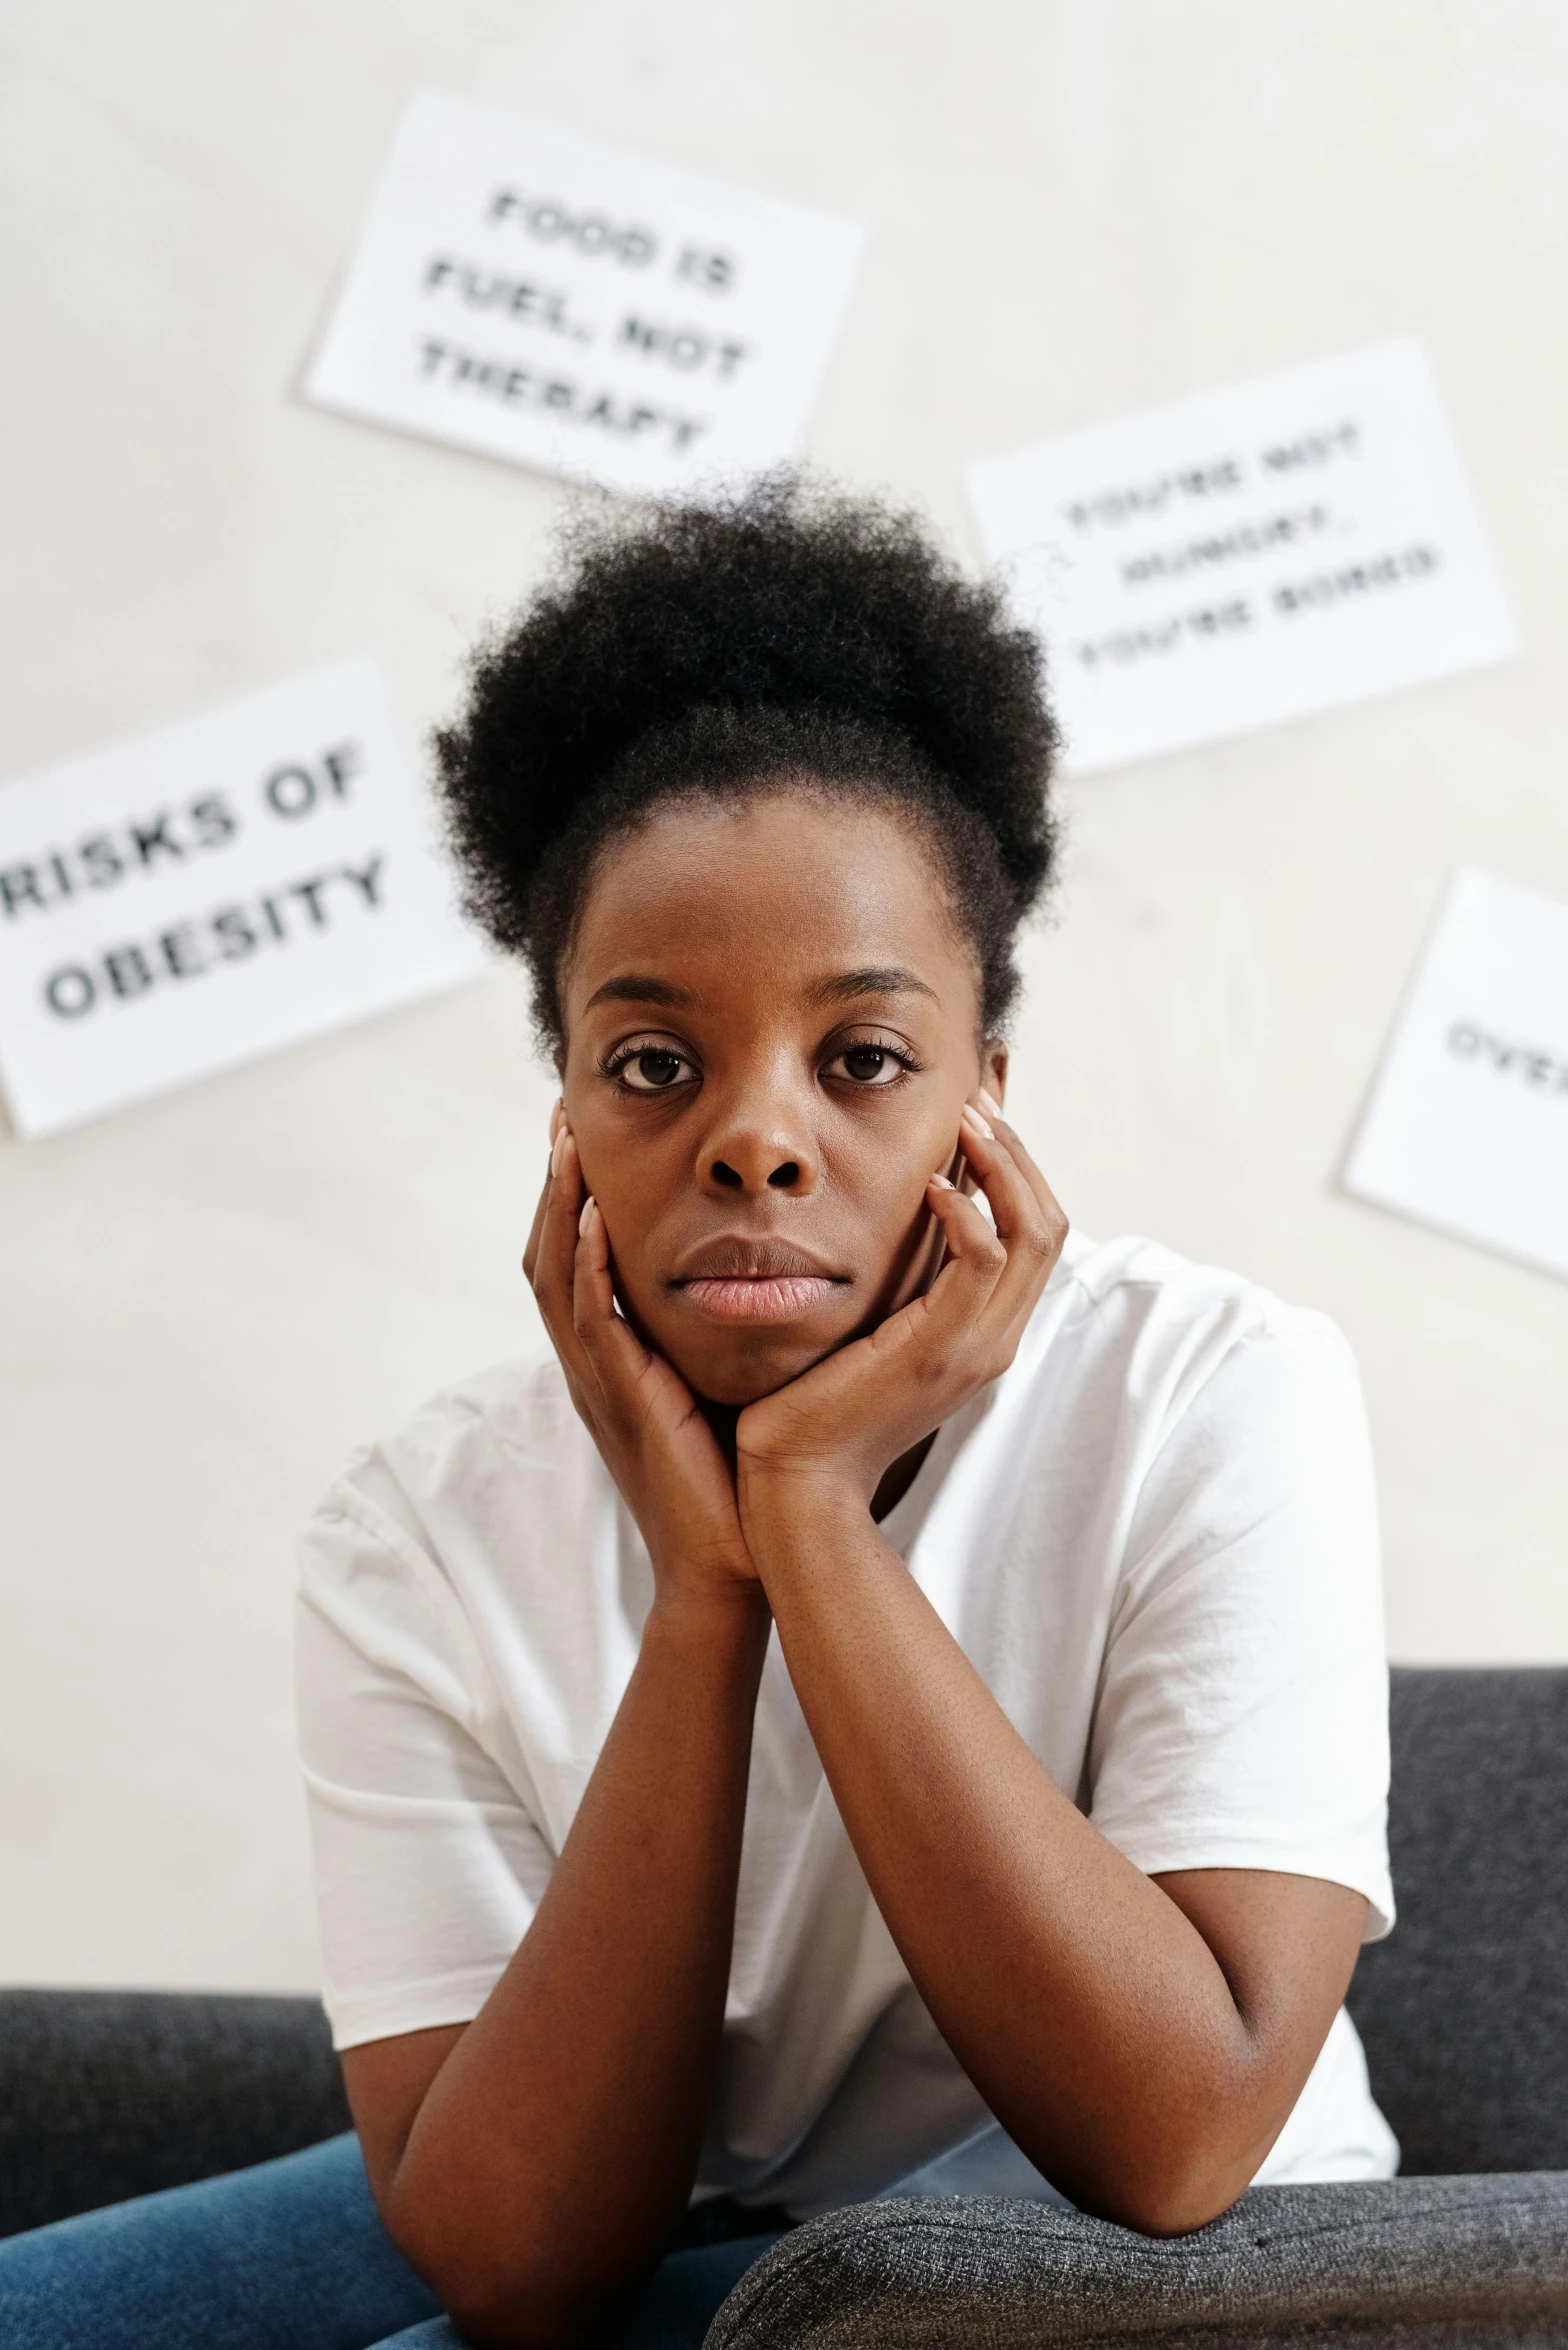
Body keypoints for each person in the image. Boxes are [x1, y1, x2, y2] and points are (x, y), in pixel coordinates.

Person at [0, 483, 1395, 2350]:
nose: (754, 1134)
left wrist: (809, 1508)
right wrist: (704, 1596)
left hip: (1190, 2260)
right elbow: (514, 2253)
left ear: (988, 1092)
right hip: (722, 2190)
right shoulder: (411, 1528)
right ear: (565, 1109)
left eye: (865, 1059)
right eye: (654, 1062)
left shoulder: (1218, 1391)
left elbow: (1179, 2135)